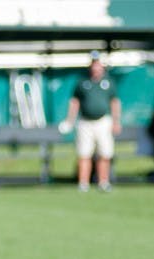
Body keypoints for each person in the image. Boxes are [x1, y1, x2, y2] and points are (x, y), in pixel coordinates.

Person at [60, 54, 121, 192]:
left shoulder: (109, 82)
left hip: (103, 121)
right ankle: (83, 183)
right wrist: (70, 120)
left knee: (104, 153)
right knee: (84, 153)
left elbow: (115, 102)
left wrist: (116, 121)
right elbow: (74, 102)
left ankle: (103, 182)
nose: (96, 67)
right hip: (85, 122)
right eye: (94, 64)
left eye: (98, 64)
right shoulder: (82, 82)